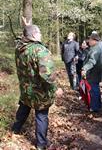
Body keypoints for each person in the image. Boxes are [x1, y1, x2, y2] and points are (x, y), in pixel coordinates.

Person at [12, 19, 63, 150]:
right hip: (39, 92)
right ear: (34, 35)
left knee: (24, 108)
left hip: (26, 90)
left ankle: (15, 130)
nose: (41, 35)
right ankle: (41, 144)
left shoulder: (19, 47)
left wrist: (26, 26)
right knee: (41, 116)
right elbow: (48, 75)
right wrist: (55, 88)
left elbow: (21, 37)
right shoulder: (40, 50)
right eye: (39, 32)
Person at [81, 33, 102, 112]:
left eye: (90, 39)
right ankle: (97, 105)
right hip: (95, 72)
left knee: (93, 90)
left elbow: (92, 61)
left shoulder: (96, 49)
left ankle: (94, 108)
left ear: (95, 40)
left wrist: (84, 68)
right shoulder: (96, 47)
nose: (88, 41)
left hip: (93, 73)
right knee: (95, 89)